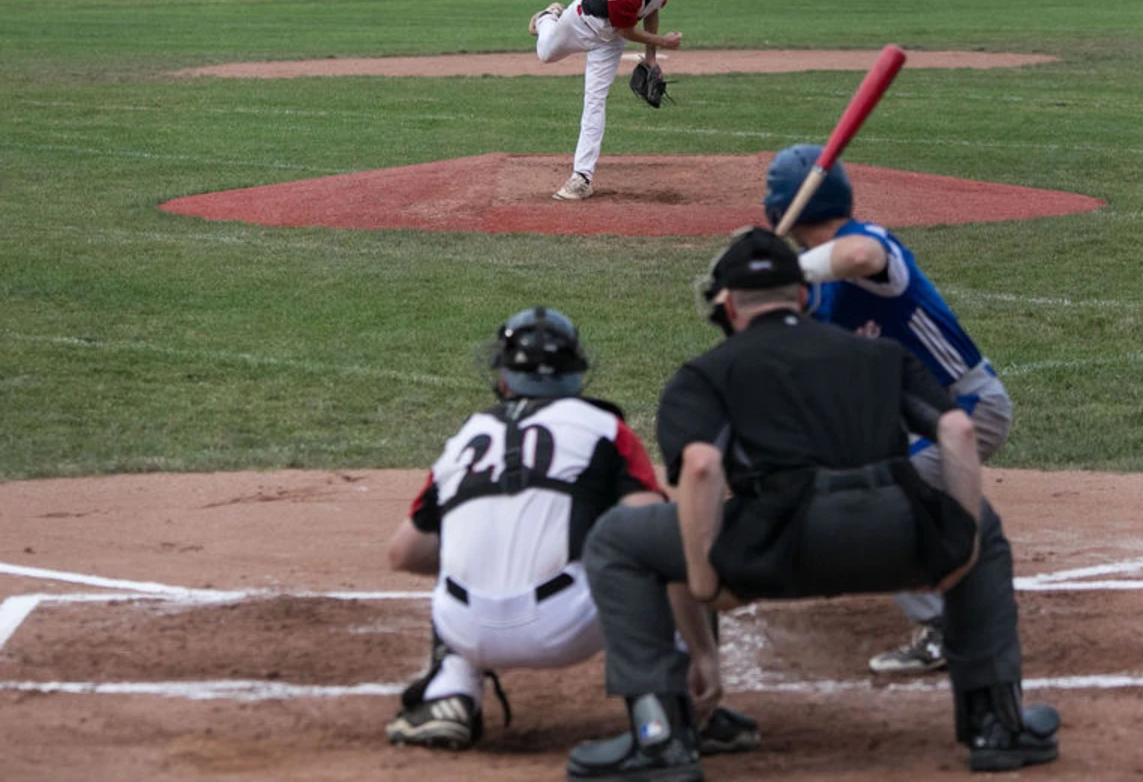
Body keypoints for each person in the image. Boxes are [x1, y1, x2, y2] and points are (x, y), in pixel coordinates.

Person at [567, 227, 1059, 780]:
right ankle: (997, 722)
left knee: (619, 538)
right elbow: (958, 432)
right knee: (983, 527)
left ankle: (660, 734)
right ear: (803, 296)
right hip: (895, 537)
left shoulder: (704, 374)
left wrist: (706, 580)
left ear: (726, 307)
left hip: (775, 548)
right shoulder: (879, 353)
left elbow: (702, 470)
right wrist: (959, 542)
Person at [385, 307, 756, 757]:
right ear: (577, 375)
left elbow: (405, 552)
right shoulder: (605, 429)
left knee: (459, 556)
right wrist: (704, 652)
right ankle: (680, 710)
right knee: (659, 546)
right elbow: (656, 535)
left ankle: (449, 694)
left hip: (463, 628)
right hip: (568, 626)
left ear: (503, 379)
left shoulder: (467, 435)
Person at [762, 145, 1015, 676]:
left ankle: (946, 626)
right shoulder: (822, 293)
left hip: (967, 407)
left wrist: (783, 269)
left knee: (872, 507)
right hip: (917, 419)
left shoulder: (870, 244)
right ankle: (952, 567)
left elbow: (860, 259)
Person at [528, 0, 681, 201]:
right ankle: (546, 18)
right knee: (545, 54)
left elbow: (651, 10)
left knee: (595, 101)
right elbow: (628, 30)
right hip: (581, 24)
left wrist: (651, 58)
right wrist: (664, 41)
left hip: (610, 43)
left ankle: (581, 178)